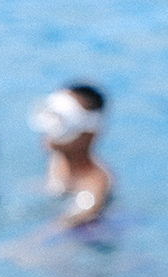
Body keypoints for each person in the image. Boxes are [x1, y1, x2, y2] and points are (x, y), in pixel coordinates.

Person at [29, 84, 113, 229]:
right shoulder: (59, 157)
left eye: (63, 122)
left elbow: (64, 226)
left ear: (89, 134)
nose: (51, 130)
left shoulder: (93, 187)